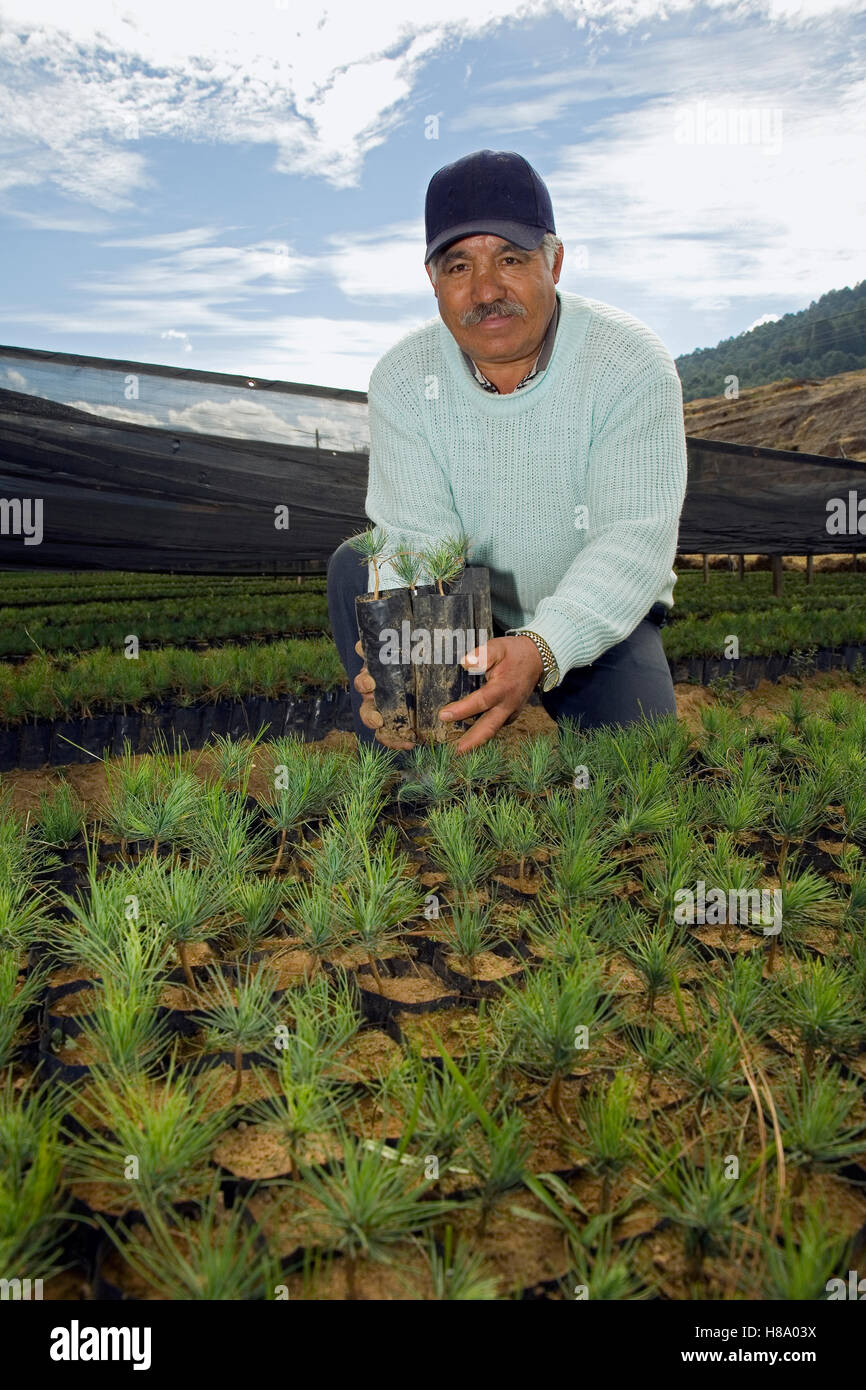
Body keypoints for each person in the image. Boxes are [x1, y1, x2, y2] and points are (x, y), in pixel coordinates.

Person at [327, 148, 687, 755]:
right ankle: (412, 769)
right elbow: (418, 539)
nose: (486, 290)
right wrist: (405, 665)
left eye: (511, 259)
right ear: (433, 280)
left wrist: (542, 646)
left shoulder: (628, 363)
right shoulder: (404, 377)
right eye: (458, 266)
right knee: (355, 566)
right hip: (465, 608)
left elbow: (632, 539)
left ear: (556, 261)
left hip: (595, 609)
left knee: (635, 768)